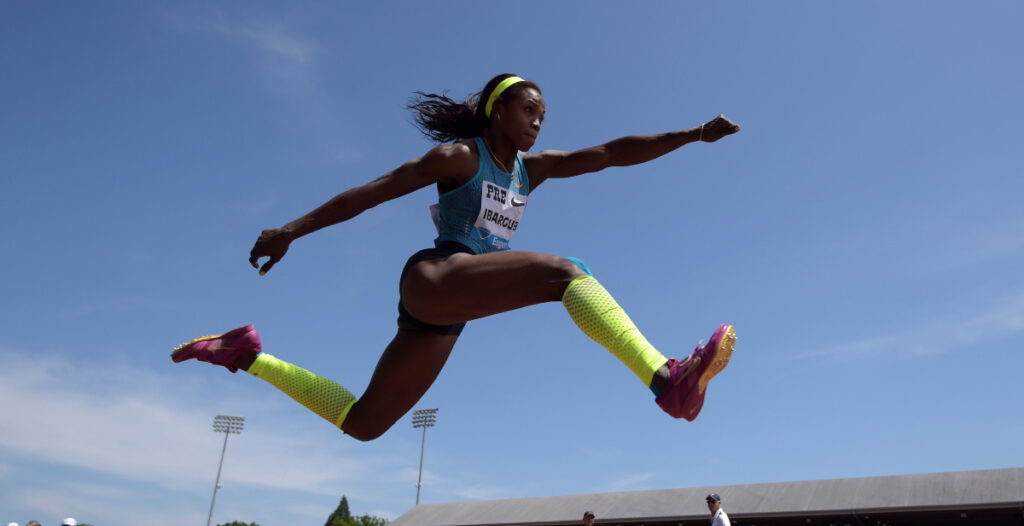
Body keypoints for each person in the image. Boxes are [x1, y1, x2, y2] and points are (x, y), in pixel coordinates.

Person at [172, 73, 739, 441]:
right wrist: (292, 229)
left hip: (449, 315)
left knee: (365, 423)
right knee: (564, 274)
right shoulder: (459, 157)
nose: (539, 122)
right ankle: (667, 378)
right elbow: (375, 190)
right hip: (434, 277)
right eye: (529, 110)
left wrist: (691, 134)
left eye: (543, 115)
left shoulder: (531, 170)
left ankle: (246, 355)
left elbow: (611, 154)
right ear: (497, 111)